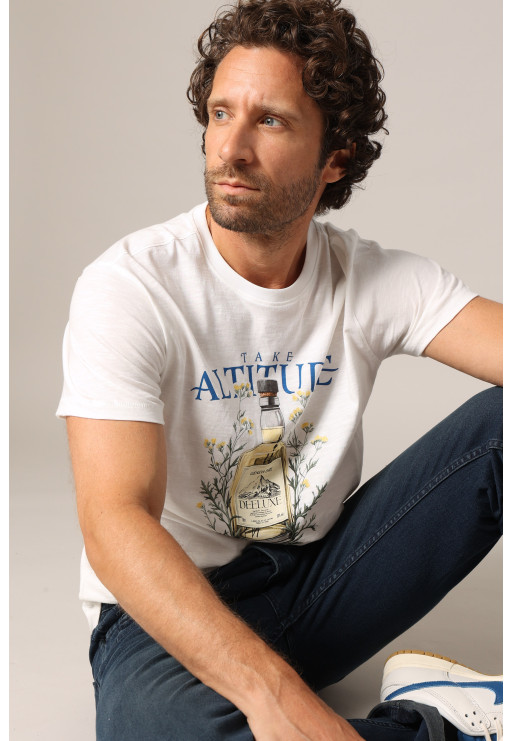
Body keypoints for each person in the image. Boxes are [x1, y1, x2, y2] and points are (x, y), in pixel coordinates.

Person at [57, 0, 503, 739]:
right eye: (220, 114)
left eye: (269, 121)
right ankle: (447, 724)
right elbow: (114, 520)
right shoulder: (132, 286)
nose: (229, 149)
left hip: (319, 584)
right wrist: (270, 692)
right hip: (164, 609)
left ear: (336, 157)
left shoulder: (368, 279)